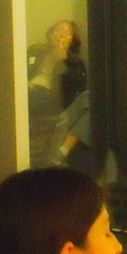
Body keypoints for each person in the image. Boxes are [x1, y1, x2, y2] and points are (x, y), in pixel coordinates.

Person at [27, 20, 87, 167]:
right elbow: (17, 70)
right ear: (50, 34)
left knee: (90, 98)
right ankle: (60, 149)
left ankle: (59, 147)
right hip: (28, 94)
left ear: (72, 40)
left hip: (53, 101)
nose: (61, 34)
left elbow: (71, 93)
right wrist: (24, 84)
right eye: (58, 29)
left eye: (67, 32)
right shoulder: (35, 51)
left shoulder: (75, 63)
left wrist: (61, 61)